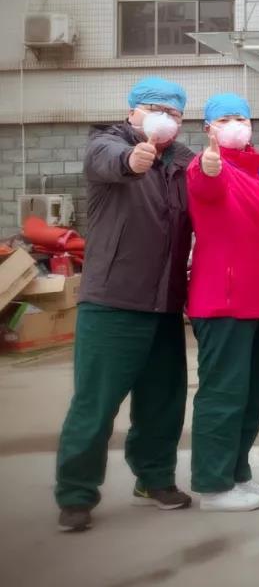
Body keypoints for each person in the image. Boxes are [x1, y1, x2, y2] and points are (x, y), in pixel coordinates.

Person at [55, 77, 193, 533]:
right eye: (155, 109)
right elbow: (110, 161)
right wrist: (132, 161)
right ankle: (76, 494)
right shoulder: (107, 144)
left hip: (165, 303)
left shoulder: (183, 163)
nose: (164, 119)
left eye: (173, 113)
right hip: (113, 301)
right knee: (96, 404)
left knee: (163, 401)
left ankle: (154, 478)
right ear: (132, 111)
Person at [186, 93, 259, 511]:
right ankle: (213, 485)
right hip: (224, 301)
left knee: (251, 395)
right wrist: (208, 166)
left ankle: (237, 472)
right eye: (226, 119)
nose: (236, 125)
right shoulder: (208, 165)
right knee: (223, 395)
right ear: (208, 129)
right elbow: (204, 183)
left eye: (242, 118)